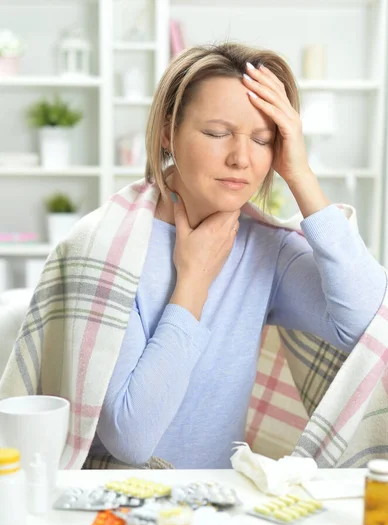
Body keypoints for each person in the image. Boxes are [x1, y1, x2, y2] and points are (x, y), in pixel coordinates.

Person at [87, 42, 386, 469]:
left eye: (263, 140)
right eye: (216, 133)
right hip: (116, 511)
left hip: (220, 509)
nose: (240, 159)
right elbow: (132, 441)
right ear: (169, 131)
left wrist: (300, 174)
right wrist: (193, 281)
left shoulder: (265, 247)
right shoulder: (111, 247)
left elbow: (368, 321)